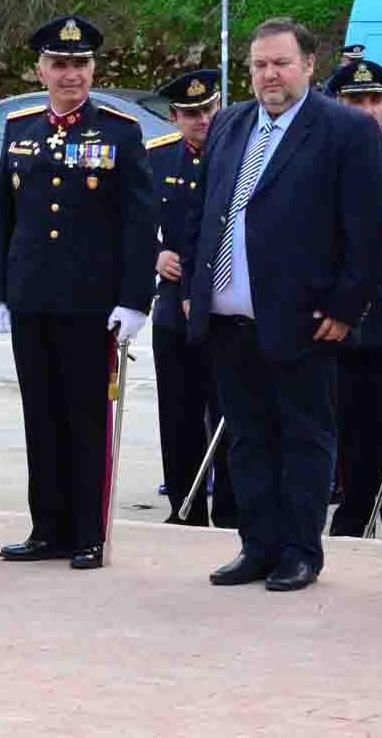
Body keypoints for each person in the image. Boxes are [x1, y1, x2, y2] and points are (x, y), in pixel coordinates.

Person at [182, 17, 382, 592]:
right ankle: (258, 545)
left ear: (309, 66)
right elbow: (205, 211)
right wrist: (193, 289)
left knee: (303, 437)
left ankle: (299, 551)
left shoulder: (346, 129)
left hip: (304, 320)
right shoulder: (230, 123)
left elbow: (367, 229)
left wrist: (345, 308)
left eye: (281, 63)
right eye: (259, 65)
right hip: (229, 318)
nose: (269, 75)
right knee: (247, 437)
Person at [0, 15, 155, 570]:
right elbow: (3, 218)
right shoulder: (21, 127)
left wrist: (134, 299)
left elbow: (139, 224)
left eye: (80, 64)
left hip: (90, 304)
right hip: (31, 298)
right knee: (41, 418)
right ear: (40, 70)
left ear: (93, 68)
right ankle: (48, 529)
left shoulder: (119, 131)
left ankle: (88, 533)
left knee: (86, 421)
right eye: (59, 64)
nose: (70, 74)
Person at [322, 56, 382, 544]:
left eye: (373, 100)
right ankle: (350, 522)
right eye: (354, 100)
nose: (365, 110)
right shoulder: (318, 157)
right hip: (334, 323)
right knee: (346, 434)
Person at [146, 68, 234, 529]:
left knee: (230, 411)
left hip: (224, 304)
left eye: (209, 110)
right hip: (173, 307)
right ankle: (185, 508)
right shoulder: (156, 158)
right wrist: (155, 253)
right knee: (178, 413)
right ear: (174, 117)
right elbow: (132, 222)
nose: (203, 120)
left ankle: (233, 509)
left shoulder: (239, 155)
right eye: (192, 113)